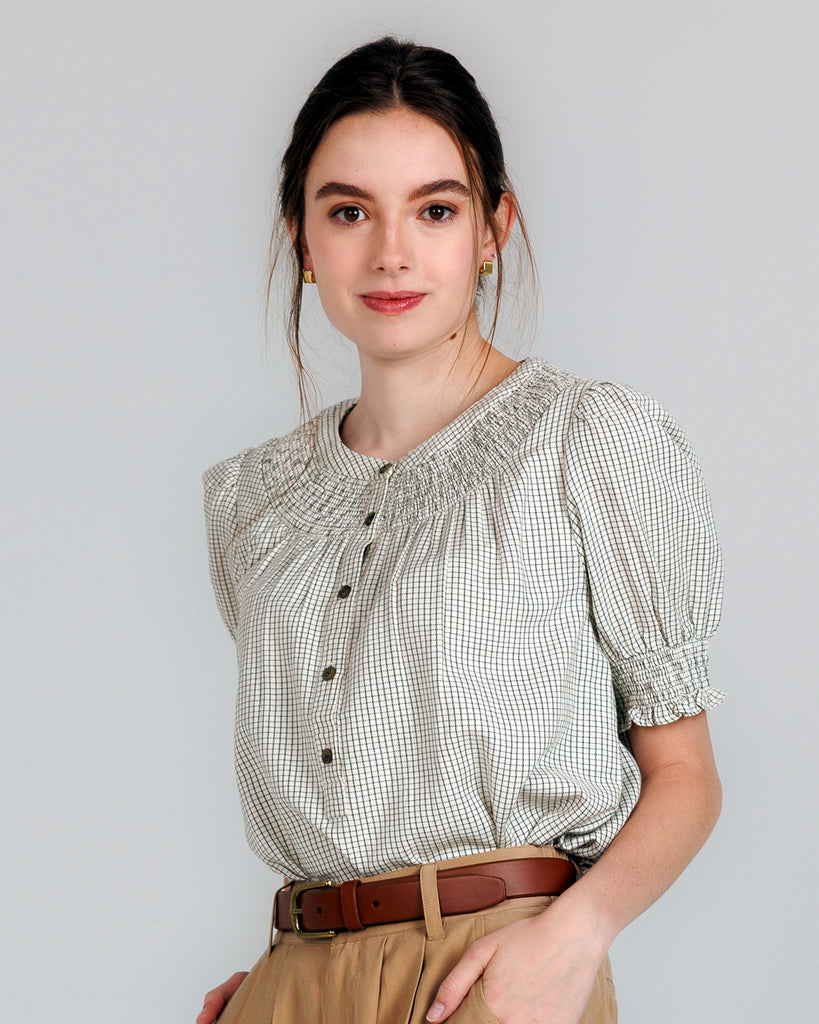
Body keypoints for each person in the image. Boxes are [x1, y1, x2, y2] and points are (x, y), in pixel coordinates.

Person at [197, 36, 724, 1024]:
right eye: (348, 211)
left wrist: (579, 934)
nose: (390, 251)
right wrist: (283, 976)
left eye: (434, 210)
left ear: (492, 229)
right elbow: (347, 788)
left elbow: (687, 774)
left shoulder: (586, 441)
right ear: (303, 241)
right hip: (293, 977)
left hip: (493, 971)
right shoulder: (257, 503)